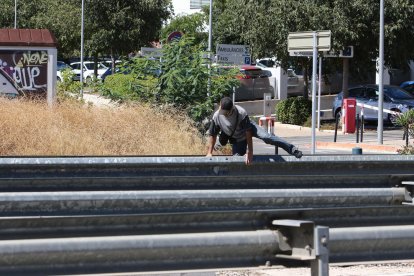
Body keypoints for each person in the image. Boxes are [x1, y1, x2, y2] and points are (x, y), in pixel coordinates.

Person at [206, 97, 302, 165]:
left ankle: (292, 149)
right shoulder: (216, 116)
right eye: (222, 111)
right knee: (237, 160)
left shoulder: (241, 113)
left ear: (231, 110)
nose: (223, 114)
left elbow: (248, 132)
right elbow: (212, 134)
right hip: (238, 139)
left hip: (249, 128)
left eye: (226, 112)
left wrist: (250, 151)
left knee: (267, 137)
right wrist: (209, 152)